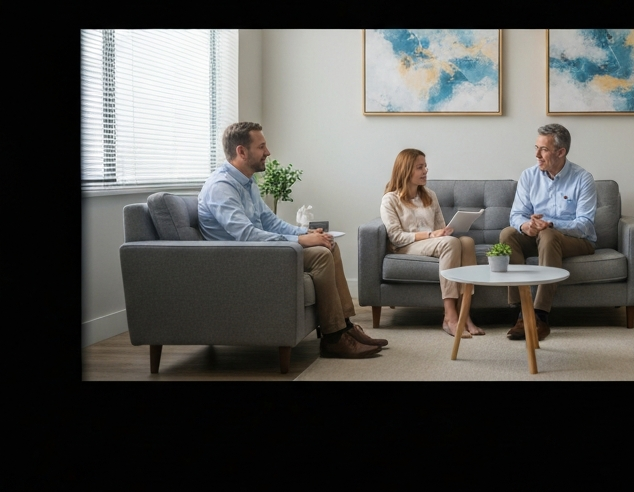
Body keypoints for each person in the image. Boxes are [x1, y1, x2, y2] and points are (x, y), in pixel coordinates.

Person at [198, 122, 386, 360]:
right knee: (319, 255)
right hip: (239, 259)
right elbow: (247, 235)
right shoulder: (221, 187)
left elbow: (270, 222)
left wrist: (307, 234)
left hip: (259, 251)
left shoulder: (247, 181)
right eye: (262, 146)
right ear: (241, 152)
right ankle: (334, 338)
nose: (268, 152)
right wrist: (301, 240)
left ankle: (345, 327)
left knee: (327, 245)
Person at [499, 123, 597, 341]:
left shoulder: (583, 179)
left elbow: (585, 224)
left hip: (577, 240)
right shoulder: (528, 176)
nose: (537, 155)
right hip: (540, 236)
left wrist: (550, 225)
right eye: (536, 148)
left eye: (543, 149)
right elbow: (516, 215)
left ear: (560, 152)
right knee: (508, 234)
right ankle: (521, 314)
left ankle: (541, 316)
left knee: (548, 234)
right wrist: (526, 226)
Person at [381, 149, 486, 338]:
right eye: (420, 167)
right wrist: (431, 234)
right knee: (450, 244)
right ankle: (450, 316)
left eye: (425, 166)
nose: (425, 171)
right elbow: (396, 237)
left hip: (433, 243)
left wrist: (445, 230)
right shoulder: (390, 200)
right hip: (407, 246)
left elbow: (440, 228)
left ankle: (465, 314)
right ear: (405, 170)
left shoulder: (430, 195)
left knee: (467, 242)